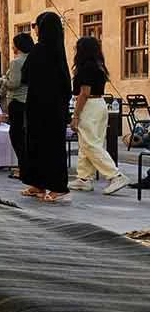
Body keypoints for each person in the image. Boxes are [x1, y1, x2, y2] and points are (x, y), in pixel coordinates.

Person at [68, 37, 131, 195]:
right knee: (88, 142)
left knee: (90, 144)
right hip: (99, 105)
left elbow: (84, 93)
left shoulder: (86, 67)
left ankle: (115, 175)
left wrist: (76, 115)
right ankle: (84, 178)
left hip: (89, 105)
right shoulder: (98, 66)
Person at [21, 12, 72, 204]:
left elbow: (25, 75)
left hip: (42, 108)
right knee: (44, 146)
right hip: (52, 108)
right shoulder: (57, 51)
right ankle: (39, 184)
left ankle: (58, 187)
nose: (34, 29)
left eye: (36, 25)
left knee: (45, 147)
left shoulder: (40, 50)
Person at [1, 34, 33, 179]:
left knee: (16, 136)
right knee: (27, 137)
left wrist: (3, 80)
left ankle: (23, 167)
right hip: (30, 101)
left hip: (17, 101)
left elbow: (14, 83)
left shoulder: (16, 62)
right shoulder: (33, 59)